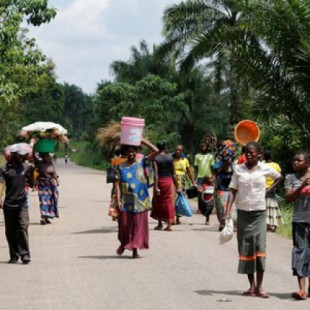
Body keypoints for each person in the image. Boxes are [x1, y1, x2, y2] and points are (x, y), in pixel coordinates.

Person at [226, 141, 282, 298]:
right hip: (243, 213)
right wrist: (227, 211)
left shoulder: (264, 168)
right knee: (246, 248)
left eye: (252, 152)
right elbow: (232, 190)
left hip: (259, 213)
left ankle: (261, 287)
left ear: (259, 154)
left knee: (260, 248)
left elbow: (279, 177)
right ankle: (251, 286)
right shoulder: (238, 169)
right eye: (246, 152)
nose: (249, 155)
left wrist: (268, 190)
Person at [114, 145, 151, 258]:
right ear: (125, 153)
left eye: (133, 152)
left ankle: (135, 250)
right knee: (124, 225)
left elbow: (157, 151)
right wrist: (119, 200)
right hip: (126, 201)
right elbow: (118, 185)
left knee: (138, 226)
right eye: (129, 152)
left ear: (137, 152)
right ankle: (123, 243)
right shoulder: (119, 167)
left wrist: (142, 141)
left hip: (140, 201)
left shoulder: (142, 163)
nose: (131, 154)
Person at [0, 144, 34, 264]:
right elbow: (0, 184)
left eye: (23, 155)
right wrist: (0, 197)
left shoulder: (27, 167)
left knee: (23, 226)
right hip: (9, 204)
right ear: (13, 155)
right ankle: (14, 255)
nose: (22, 157)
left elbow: (31, 185)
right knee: (10, 230)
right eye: (19, 155)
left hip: (22, 203)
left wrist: (33, 172)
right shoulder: (4, 169)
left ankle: (25, 254)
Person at [284, 151, 310, 300]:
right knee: (299, 252)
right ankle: (302, 290)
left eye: (299, 161)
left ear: (307, 163)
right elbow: (288, 198)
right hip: (299, 220)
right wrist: (301, 187)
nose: (295, 163)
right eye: (294, 160)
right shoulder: (290, 177)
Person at [151, 141, 177, 231]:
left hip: (160, 182)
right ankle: (169, 224)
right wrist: (176, 185)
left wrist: (156, 186)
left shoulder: (155, 158)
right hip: (169, 181)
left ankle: (159, 224)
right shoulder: (170, 158)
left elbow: (156, 174)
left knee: (158, 202)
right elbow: (174, 173)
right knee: (168, 202)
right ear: (165, 148)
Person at [213, 140, 236, 230]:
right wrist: (225, 165)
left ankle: (230, 223)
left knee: (232, 205)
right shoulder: (219, 158)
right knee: (221, 206)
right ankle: (222, 223)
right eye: (230, 147)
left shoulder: (234, 159)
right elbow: (216, 171)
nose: (232, 149)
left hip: (231, 186)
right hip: (221, 186)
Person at [173, 144, 196, 224]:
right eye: (176, 150)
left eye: (179, 150)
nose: (177, 151)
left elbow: (189, 172)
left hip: (182, 182)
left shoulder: (185, 160)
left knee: (180, 200)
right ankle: (172, 216)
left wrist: (193, 182)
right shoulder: (172, 159)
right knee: (173, 199)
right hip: (173, 181)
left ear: (182, 151)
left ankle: (178, 217)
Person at [35, 152, 59, 225]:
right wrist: (34, 146)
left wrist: (57, 180)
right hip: (42, 185)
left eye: (49, 156)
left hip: (51, 185)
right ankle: (43, 218)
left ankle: (47, 217)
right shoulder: (39, 163)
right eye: (46, 156)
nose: (48, 158)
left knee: (51, 201)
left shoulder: (51, 164)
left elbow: (54, 173)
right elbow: (33, 156)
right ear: (43, 157)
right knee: (43, 201)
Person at [263, 150, 284, 232]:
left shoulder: (262, 165)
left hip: (264, 188)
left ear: (264, 157)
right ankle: (274, 225)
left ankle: (267, 225)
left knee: (265, 206)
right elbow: (278, 177)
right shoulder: (276, 165)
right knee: (273, 205)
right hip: (273, 188)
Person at [194, 142, 215, 214]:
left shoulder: (210, 156)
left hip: (208, 177)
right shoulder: (197, 156)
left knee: (209, 192)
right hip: (200, 177)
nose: (203, 147)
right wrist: (194, 179)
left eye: (204, 146)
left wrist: (213, 176)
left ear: (207, 147)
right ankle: (200, 208)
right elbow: (196, 169)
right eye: (202, 146)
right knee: (200, 193)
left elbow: (212, 167)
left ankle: (209, 207)